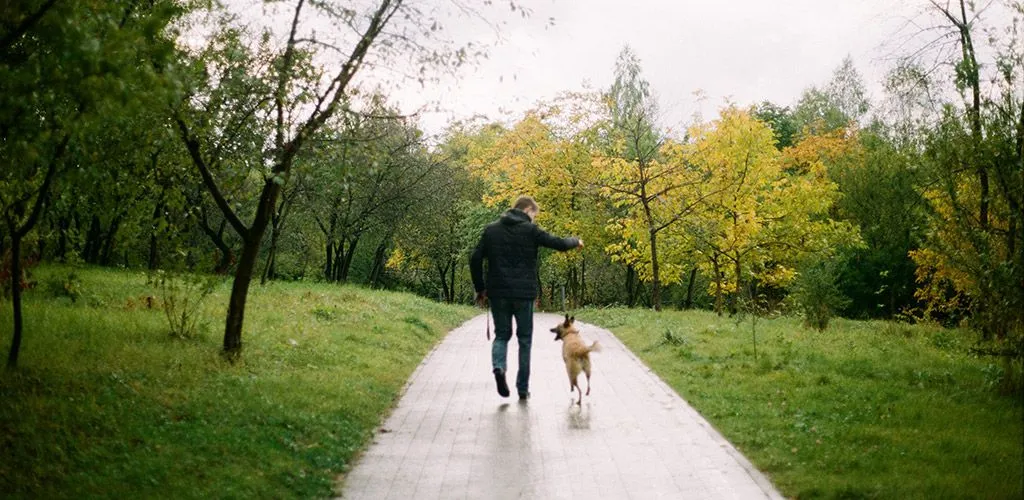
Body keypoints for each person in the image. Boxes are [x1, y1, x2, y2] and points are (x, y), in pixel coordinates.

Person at [470, 196, 583, 400]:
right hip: (524, 295)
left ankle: (499, 368)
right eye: (534, 214)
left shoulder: (491, 230)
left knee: (502, 335)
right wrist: (575, 241)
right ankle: (522, 388)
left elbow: (475, 258)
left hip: (498, 293)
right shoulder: (530, 230)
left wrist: (480, 288)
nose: (533, 219)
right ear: (528, 209)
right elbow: (558, 243)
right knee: (524, 340)